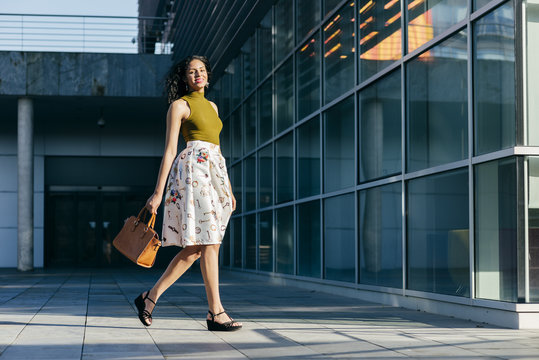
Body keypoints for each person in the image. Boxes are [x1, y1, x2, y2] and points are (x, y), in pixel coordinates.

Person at [134, 55, 242, 332]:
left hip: (214, 173)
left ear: (208, 75)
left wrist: (228, 188)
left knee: (195, 250)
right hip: (193, 173)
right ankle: (215, 312)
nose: (198, 75)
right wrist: (157, 193)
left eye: (202, 70)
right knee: (210, 244)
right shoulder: (179, 106)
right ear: (184, 77)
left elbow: (218, 152)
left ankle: (150, 297)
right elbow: (170, 150)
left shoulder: (214, 107)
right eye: (192, 72)